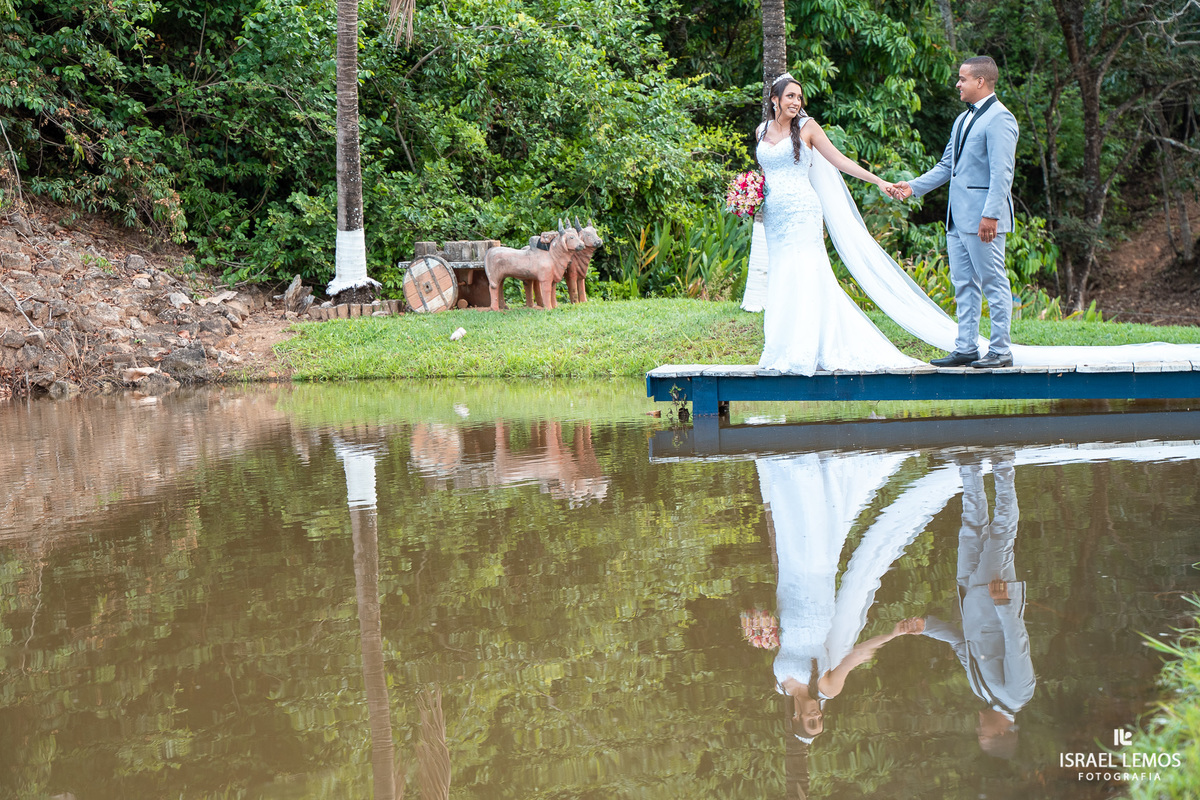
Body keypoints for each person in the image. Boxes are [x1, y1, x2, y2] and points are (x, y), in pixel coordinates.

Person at [755, 73, 923, 375]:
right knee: (782, 275)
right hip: (774, 216)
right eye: (790, 96)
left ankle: (806, 351)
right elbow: (766, 174)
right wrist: (748, 194)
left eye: (799, 97)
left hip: (803, 211)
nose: (796, 102)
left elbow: (839, 160)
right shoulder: (761, 131)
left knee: (807, 272)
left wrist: (878, 181)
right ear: (774, 99)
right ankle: (781, 349)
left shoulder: (807, 127)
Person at [892, 56, 1019, 369]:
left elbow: (1002, 172)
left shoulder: (1001, 118)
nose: (957, 84)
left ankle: (1001, 350)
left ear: (980, 82)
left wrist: (991, 215)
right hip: (956, 218)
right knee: (964, 284)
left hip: (983, 220)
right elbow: (947, 166)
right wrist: (913, 187)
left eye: (962, 79)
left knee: (993, 282)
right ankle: (966, 347)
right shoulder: (962, 120)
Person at [919, 452, 1035, 759]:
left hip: (970, 595)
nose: (977, 729)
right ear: (1001, 731)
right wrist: (1003, 605)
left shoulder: (981, 692)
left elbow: (961, 645)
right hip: (995, 596)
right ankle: (1004, 465)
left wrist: (926, 628)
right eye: (983, 734)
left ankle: (969, 467)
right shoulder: (1019, 693)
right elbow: (1016, 644)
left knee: (971, 529)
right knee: (1001, 534)